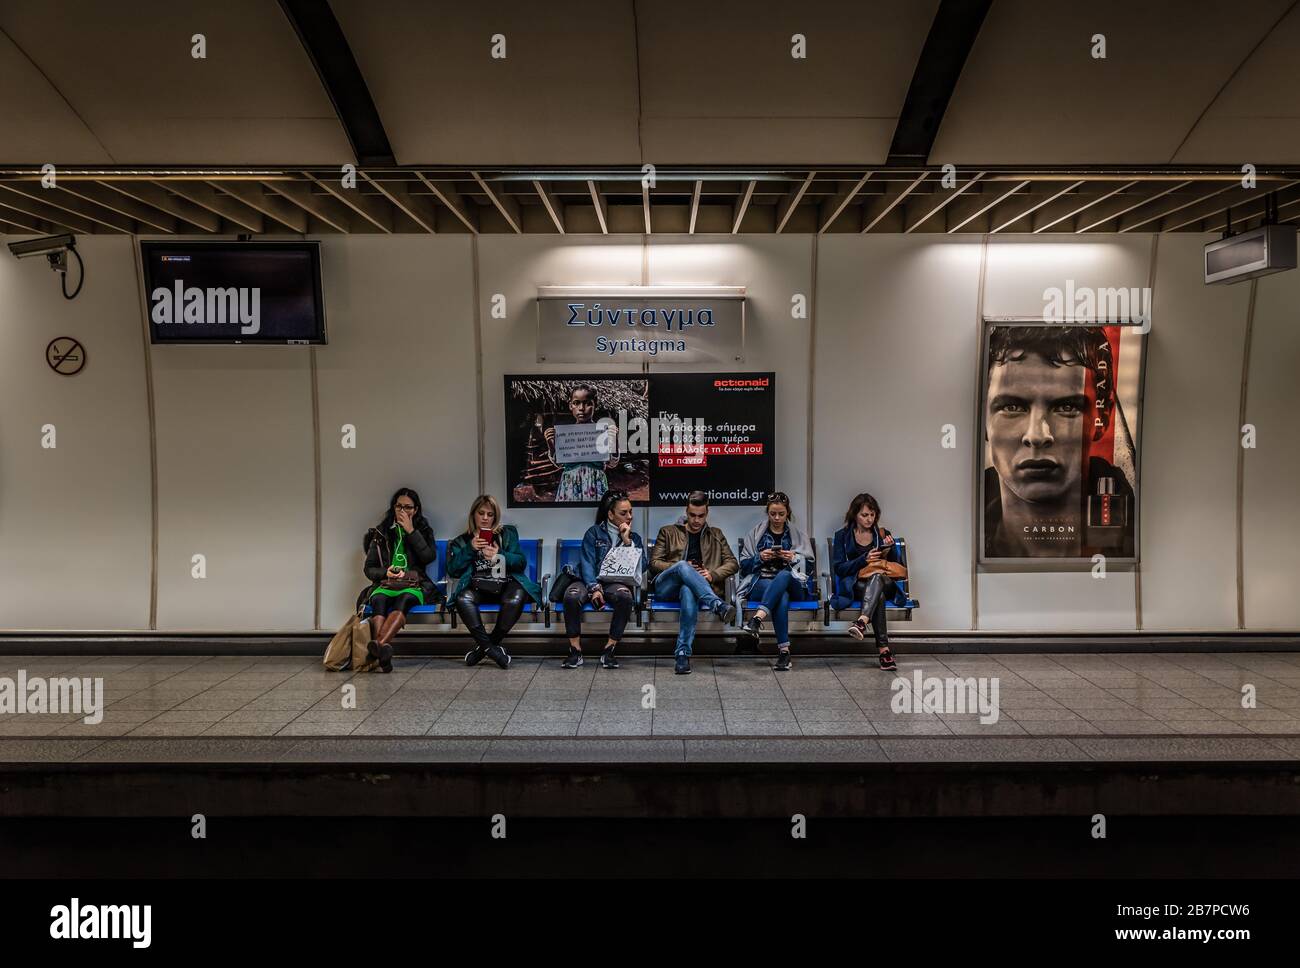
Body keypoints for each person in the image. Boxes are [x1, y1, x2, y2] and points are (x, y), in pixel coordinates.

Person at [983, 325, 1136, 559]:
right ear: (982, 418)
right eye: (1012, 407)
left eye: (1066, 407)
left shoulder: (1142, 537)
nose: (1037, 435)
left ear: (1102, 417)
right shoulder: (955, 530)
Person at [446, 495, 544, 669]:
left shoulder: (507, 534)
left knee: (517, 596)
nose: (485, 518)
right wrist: (470, 549)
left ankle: (483, 649)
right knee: (463, 599)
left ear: (495, 516)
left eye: (490, 514)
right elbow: (453, 570)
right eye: (481, 513)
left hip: (505, 584)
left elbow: (521, 563)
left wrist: (500, 555)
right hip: (477, 586)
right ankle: (493, 651)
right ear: (473, 515)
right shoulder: (461, 541)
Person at [649, 491, 738, 675]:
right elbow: (654, 563)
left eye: (701, 516)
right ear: (686, 512)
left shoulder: (716, 535)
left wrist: (712, 575)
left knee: (688, 589)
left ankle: (682, 654)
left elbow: (733, 563)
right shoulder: (668, 531)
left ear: (707, 513)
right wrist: (682, 568)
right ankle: (717, 605)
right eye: (692, 515)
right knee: (682, 566)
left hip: (693, 589)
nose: (696, 520)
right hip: (666, 586)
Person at [560, 489, 647, 670]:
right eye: (623, 513)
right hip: (586, 579)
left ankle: (609, 649)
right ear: (610, 514)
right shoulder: (593, 533)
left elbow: (642, 566)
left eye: (630, 512)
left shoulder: (634, 538)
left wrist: (627, 542)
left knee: (625, 597)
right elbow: (587, 563)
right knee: (572, 596)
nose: (629, 516)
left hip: (615, 582)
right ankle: (575, 650)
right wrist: (594, 588)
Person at [359, 488, 440, 673]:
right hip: (387, 583)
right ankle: (382, 653)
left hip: (414, 584)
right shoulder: (381, 533)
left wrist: (411, 531)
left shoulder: (424, 530)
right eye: (399, 506)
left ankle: (378, 646)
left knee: (404, 599)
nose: (403, 511)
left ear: (416, 510)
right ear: (393, 508)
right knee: (378, 599)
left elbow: (428, 557)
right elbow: (369, 568)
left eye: (408, 507)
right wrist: (386, 572)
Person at [735, 491, 816, 671]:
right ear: (768, 512)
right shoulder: (755, 534)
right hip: (761, 582)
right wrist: (760, 557)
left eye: (781, 514)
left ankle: (757, 619)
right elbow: (744, 566)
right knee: (782, 596)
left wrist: (794, 557)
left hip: (795, 584)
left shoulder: (798, 535)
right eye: (773, 514)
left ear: (788, 513)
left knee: (785, 575)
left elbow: (809, 567)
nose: (777, 518)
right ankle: (784, 652)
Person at [830, 492, 905, 671]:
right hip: (857, 584)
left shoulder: (882, 534)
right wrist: (863, 559)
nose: (869, 519)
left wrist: (891, 547)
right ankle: (884, 651)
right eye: (864, 515)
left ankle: (862, 621)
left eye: (872, 515)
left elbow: (897, 567)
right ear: (854, 515)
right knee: (876, 595)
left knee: (878, 578)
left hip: (885, 582)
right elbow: (839, 568)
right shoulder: (842, 536)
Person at [545, 384, 620, 503]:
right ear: (570, 406)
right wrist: (551, 444)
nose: (581, 408)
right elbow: (559, 464)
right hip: (570, 484)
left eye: (587, 403)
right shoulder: (564, 434)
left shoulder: (602, 432)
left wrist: (614, 439)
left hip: (596, 484)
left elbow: (612, 463)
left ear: (596, 405)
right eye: (576, 403)